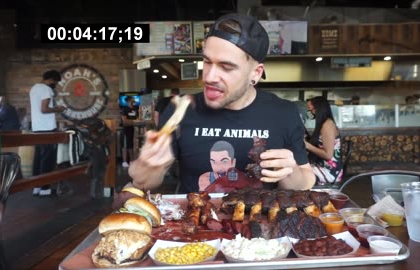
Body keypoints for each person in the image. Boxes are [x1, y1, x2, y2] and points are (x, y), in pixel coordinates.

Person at [129, 13, 315, 193]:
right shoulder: (181, 110)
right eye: (207, 62)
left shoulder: (284, 113)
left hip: (264, 222)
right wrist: (145, 169)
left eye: (226, 67)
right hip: (196, 222)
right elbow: (147, 182)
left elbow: (306, 180)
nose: (209, 77)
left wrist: (291, 172)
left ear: (255, 74)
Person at [29, 70, 66, 196]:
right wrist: (58, 108)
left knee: (38, 158)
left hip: (37, 128)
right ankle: (45, 189)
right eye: (55, 82)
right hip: (47, 129)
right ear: (50, 79)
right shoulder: (46, 89)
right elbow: (44, 109)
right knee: (47, 160)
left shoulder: (34, 88)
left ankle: (37, 187)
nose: (55, 84)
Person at [304, 96, 343, 186]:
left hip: (329, 172)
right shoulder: (323, 124)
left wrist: (307, 145)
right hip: (321, 166)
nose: (310, 113)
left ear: (319, 109)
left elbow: (328, 155)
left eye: (311, 109)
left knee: (296, 173)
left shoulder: (328, 125)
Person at [121, 96, 139, 168]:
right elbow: (125, 122)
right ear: (129, 100)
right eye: (133, 98)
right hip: (126, 129)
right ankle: (124, 161)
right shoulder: (124, 109)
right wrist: (134, 121)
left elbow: (138, 119)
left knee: (131, 145)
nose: (134, 100)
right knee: (125, 146)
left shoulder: (135, 109)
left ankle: (132, 161)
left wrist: (132, 122)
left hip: (133, 129)